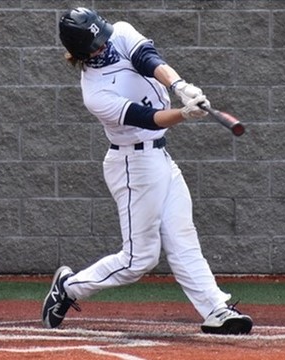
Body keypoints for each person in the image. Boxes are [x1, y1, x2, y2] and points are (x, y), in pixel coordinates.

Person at [42, 7, 253, 335]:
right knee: (137, 260)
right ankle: (69, 288)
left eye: (103, 37)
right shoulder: (95, 93)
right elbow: (146, 118)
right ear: (83, 52)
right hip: (132, 166)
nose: (105, 45)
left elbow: (148, 59)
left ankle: (216, 309)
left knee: (183, 237)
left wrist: (180, 85)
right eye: (96, 45)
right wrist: (183, 113)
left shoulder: (121, 32)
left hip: (160, 158)